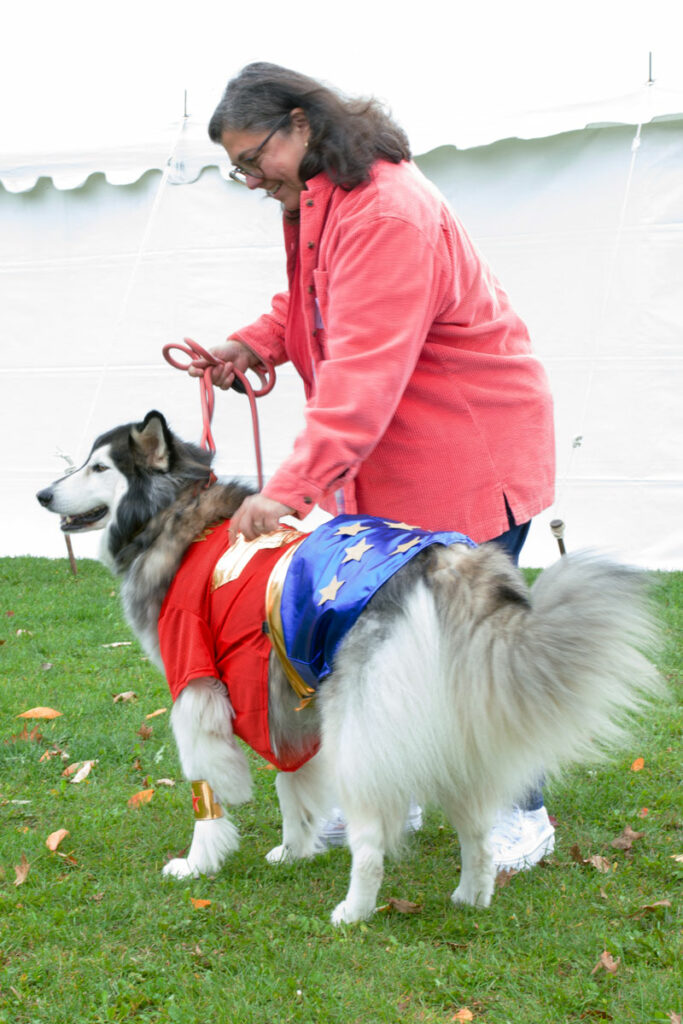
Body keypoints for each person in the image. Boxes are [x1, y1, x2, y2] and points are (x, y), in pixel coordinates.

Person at [188, 62, 556, 871]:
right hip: (394, 466)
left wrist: (286, 493)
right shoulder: (325, 198)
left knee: (474, 649)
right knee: (394, 645)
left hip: (466, 451)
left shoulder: (386, 209)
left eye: (254, 160)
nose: (250, 179)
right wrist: (255, 340)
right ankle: (414, 786)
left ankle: (518, 814)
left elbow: (362, 372)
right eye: (237, 168)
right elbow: (312, 300)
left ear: (300, 125)